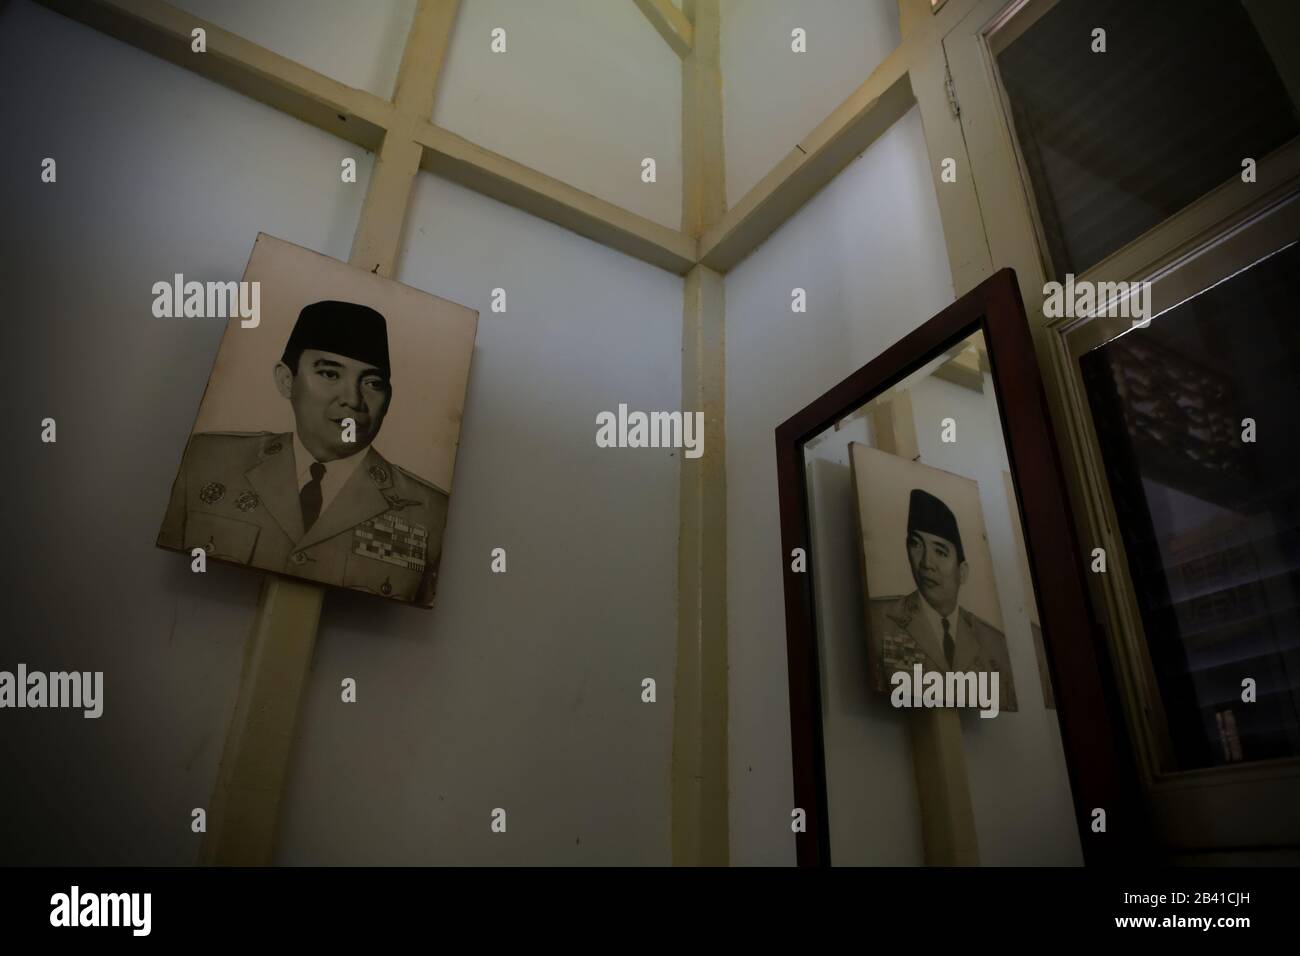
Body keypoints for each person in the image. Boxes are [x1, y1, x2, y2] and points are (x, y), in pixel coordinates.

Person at [158, 300, 448, 606]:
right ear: (287, 380)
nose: (352, 400)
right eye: (330, 374)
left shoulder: (429, 510)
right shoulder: (207, 460)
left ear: (387, 400)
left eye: (372, 382)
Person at [867, 488, 1017, 710]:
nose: (926, 563)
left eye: (941, 551)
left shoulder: (995, 644)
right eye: (916, 544)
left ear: (962, 571)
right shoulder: (879, 620)